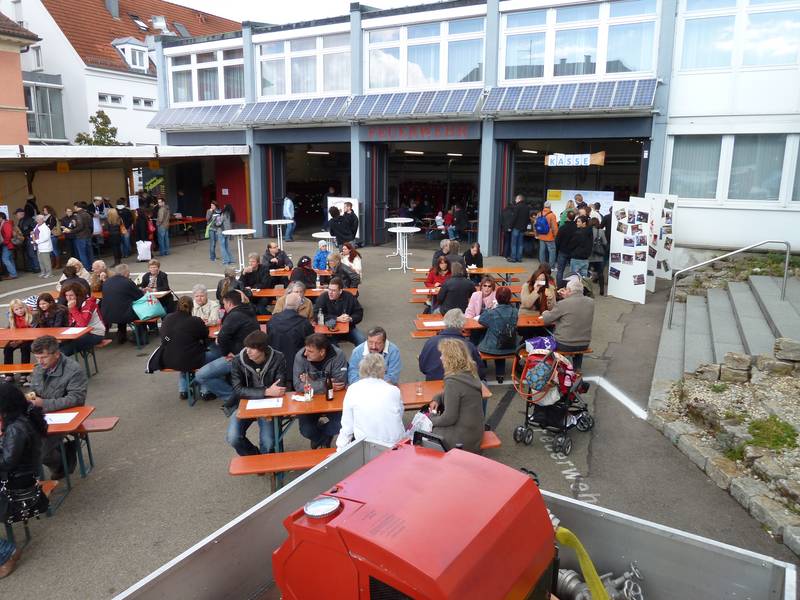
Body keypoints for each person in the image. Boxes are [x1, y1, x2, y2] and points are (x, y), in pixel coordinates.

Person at [0, 383, 48, 578]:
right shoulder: (25, 417)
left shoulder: (16, 428)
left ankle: (5, 553)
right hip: (23, 480)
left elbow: (5, 462)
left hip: (17, 489)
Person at [29, 335, 88, 479]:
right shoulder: (39, 368)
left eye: (43, 357)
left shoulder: (73, 370)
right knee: (18, 443)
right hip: (41, 415)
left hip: (64, 417)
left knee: (39, 452)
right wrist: (29, 398)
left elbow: (76, 399)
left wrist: (44, 404)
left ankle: (62, 464)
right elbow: (34, 391)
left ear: (56, 354)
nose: (40, 361)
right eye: (37, 357)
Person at [227, 331, 286, 454]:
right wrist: (266, 391)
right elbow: (238, 389)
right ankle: (254, 456)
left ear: (263, 349)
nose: (248, 351)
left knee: (268, 443)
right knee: (233, 438)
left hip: (269, 405)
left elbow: (279, 387)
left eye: (252, 348)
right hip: (244, 403)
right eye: (246, 347)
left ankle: (264, 460)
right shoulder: (238, 360)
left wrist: (270, 392)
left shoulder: (278, 357)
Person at [194, 291, 259, 402]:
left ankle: (232, 398)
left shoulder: (233, 316)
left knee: (201, 375)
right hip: (248, 351)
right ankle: (211, 388)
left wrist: (226, 353)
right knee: (213, 351)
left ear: (229, 303)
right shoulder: (249, 310)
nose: (224, 307)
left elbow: (223, 337)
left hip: (239, 355)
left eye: (224, 304)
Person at [336, 353, 404, 451]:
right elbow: (399, 414)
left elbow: (347, 426)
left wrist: (340, 449)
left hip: (368, 445)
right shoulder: (394, 390)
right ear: (383, 370)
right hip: (395, 444)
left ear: (361, 370)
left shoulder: (353, 389)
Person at [292, 333, 348, 449]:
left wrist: (310, 381)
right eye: (306, 349)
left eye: (310, 351)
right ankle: (323, 439)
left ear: (322, 352)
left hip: (332, 399)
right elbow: (297, 385)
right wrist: (325, 384)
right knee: (306, 430)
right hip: (309, 401)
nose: (305, 353)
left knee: (341, 424)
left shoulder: (338, 355)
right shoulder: (300, 356)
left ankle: (321, 437)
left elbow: (340, 382)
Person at [429, 338, 484, 453]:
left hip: (462, 438)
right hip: (475, 432)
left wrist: (430, 420)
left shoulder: (453, 382)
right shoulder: (470, 373)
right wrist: (437, 398)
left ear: (451, 358)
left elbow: (449, 418)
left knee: (425, 434)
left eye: (443, 354)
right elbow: (458, 394)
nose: (441, 358)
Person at [159, 295, 209, 400]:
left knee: (182, 356)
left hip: (168, 359)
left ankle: (183, 390)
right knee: (206, 359)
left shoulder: (167, 318)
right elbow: (205, 334)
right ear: (192, 307)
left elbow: (164, 339)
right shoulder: (195, 320)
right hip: (189, 359)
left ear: (177, 306)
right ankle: (205, 391)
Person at [542, 277, 595, 370]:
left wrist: (544, 312)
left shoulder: (563, 304)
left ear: (569, 290)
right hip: (584, 343)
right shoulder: (591, 302)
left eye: (566, 289)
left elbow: (547, 319)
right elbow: (575, 309)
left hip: (564, 344)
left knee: (550, 334)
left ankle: (560, 368)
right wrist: (567, 297)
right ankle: (577, 368)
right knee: (577, 332)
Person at [418, 308, 485, 381]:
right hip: (460, 383)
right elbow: (479, 372)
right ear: (463, 324)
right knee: (483, 382)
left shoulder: (431, 342)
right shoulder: (468, 346)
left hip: (433, 380)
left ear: (445, 322)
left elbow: (423, 367)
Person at [267, 289, 314, 390]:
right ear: (299, 306)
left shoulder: (272, 320)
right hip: (296, 365)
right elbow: (311, 344)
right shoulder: (304, 323)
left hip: (274, 365)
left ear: (285, 303)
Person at [478, 286, 519, 384]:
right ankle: (500, 374)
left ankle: (483, 372)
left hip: (492, 347)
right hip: (511, 346)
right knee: (502, 341)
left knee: (478, 344)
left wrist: (489, 308)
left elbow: (481, 320)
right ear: (509, 298)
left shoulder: (492, 312)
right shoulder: (515, 311)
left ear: (496, 298)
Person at [313, 277, 366, 346]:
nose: (330, 293)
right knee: (334, 348)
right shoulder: (323, 297)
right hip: (329, 330)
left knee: (362, 341)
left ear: (340, 291)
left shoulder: (349, 297)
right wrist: (337, 319)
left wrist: (350, 318)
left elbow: (359, 312)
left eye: (334, 291)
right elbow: (316, 315)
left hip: (348, 328)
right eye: (329, 289)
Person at [100, 264, 143, 344]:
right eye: (129, 272)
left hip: (106, 314)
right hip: (123, 314)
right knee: (140, 311)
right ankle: (139, 336)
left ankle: (121, 334)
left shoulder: (107, 282)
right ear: (126, 273)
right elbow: (140, 296)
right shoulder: (127, 282)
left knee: (120, 306)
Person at [59, 283, 105, 356]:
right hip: (79, 332)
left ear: (78, 295)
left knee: (63, 351)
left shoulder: (89, 304)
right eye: (66, 295)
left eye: (71, 295)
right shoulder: (73, 304)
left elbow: (83, 323)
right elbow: (71, 322)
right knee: (56, 345)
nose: (68, 298)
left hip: (95, 333)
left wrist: (72, 309)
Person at [4, 299, 33, 367]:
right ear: (13, 311)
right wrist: (14, 340)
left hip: (29, 339)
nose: (19, 310)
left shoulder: (30, 316)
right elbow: (11, 330)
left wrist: (20, 341)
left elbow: (32, 333)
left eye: (21, 308)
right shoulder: (12, 318)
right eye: (16, 309)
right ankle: (8, 371)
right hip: (17, 339)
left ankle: (24, 371)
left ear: (24, 307)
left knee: (25, 348)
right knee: (7, 349)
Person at [65, 202, 93, 268]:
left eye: (74, 207)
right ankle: (92, 267)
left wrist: (70, 231)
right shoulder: (87, 214)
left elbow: (80, 227)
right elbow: (91, 226)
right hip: (88, 236)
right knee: (89, 253)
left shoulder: (78, 215)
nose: (74, 208)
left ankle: (86, 268)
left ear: (76, 207)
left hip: (80, 237)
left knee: (82, 254)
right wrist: (90, 233)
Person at [555, 212, 577, 287]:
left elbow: (557, 240)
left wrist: (557, 250)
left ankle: (559, 286)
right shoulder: (576, 228)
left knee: (560, 270)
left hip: (563, 251)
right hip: (573, 251)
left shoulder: (562, 227)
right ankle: (571, 287)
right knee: (573, 272)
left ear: (567, 217)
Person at [535, 201, 559, 267]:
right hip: (549, 236)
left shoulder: (539, 214)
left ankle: (542, 265)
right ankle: (551, 266)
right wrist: (556, 235)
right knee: (552, 251)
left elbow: (535, 225)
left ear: (544, 206)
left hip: (541, 235)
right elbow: (554, 227)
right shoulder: (552, 215)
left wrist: (536, 234)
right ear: (550, 207)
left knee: (542, 250)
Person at [16, 208, 39, 273]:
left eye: (17, 214)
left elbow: (35, 229)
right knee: (28, 254)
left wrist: (33, 236)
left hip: (30, 238)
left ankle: (36, 267)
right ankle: (31, 267)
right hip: (25, 239)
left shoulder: (30, 220)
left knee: (32, 253)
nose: (16, 216)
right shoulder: (21, 221)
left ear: (21, 214)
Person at [588, 218, 608, 295]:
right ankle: (602, 290)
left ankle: (587, 289)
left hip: (589, 255)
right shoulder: (601, 231)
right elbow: (605, 243)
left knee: (588, 273)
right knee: (600, 273)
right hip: (599, 255)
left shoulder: (588, 231)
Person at [508, 194, 530, 263]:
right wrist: (525, 227)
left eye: (516, 199)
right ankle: (519, 258)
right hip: (522, 228)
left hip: (516, 227)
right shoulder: (527, 207)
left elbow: (514, 218)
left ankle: (513, 258)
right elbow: (528, 219)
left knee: (514, 243)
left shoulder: (517, 207)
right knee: (520, 244)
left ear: (519, 199)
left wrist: (510, 227)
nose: (515, 200)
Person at [0, 212, 18, 279]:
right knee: (10, 259)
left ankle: (13, 274)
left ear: (1, 217)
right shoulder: (4, 224)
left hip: (8, 244)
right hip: (8, 244)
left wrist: (5, 242)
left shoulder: (6, 224)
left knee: (5, 259)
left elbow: (8, 235)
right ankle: (14, 274)